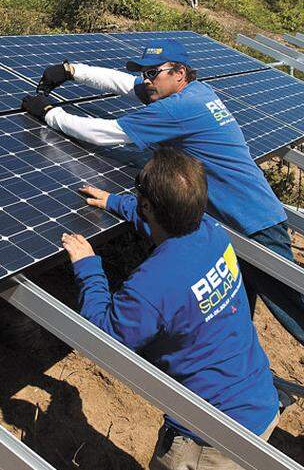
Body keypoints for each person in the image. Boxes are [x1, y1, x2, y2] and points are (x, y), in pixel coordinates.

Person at [22, 39, 304, 443]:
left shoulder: (179, 108)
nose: (146, 81)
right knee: (226, 314)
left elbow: (108, 133)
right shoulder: (191, 92)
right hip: (230, 223)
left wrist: (51, 115)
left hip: (250, 224)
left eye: (153, 73)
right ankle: (247, 395)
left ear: (179, 73)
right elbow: (125, 84)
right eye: (145, 72)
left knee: (301, 310)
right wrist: (72, 71)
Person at [63, 148, 279, 470]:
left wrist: (88, 266)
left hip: (211, 439)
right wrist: (115, 202)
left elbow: (104, 335)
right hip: (259, 400)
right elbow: (164, 221)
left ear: (148, 205)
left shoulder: (153, 285)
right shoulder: (211, 233)